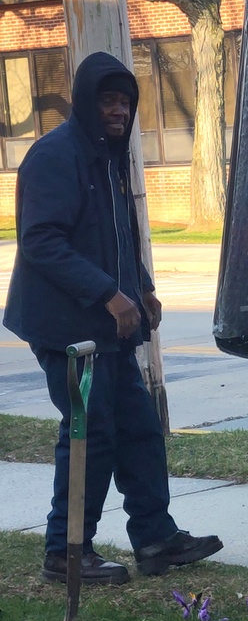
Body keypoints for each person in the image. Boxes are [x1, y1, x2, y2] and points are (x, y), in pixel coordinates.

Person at [3, 51, 222, 586]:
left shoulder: (109, 157)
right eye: (108, 100)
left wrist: (141, 287)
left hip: (109, 329)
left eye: (125, 101)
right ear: (85, 102)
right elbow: (40, 241)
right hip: (66, 329)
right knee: (90, 433)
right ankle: (66, 552)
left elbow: (119, 232)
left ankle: (155, 539)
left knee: (139, 429)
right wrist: (108, 293)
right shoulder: (56, 156)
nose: (119, 110)